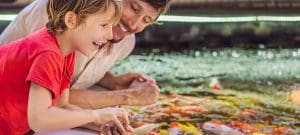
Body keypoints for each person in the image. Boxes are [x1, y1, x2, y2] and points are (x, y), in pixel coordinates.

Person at [0, 0, 171, 110]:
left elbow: (68, 71)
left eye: (146, 20)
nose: (134, 25)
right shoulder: (59, 10)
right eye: (134, 8)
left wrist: (113, 82)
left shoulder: (126, 43)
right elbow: (47, 94)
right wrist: (129, 96)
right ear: (71, 20)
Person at [0, 0, 132, 134]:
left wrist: (100, 124)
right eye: (104, 25)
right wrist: (96, 115)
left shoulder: (65, 52)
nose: (110, 35)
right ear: (71, 20)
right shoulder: (47, 52)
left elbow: (61, 106)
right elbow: (39, 119)